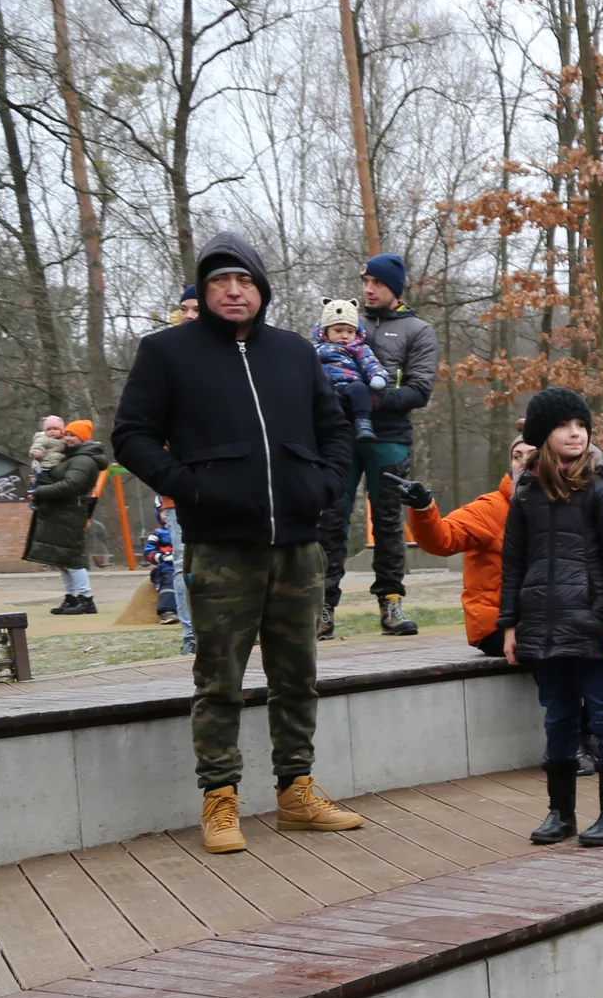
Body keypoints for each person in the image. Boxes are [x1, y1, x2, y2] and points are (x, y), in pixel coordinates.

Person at [114, 232, 366, 855]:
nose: (234, 290)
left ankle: (297, 792)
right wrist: (187, 488)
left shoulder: (293, 353)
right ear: (203, 290)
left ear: (262, 290)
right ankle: (220, 798)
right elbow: (132, 435)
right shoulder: (167, 352)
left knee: (297, 675)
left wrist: (327, 485)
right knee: (219, 678)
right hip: (220, 546)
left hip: (299, 545)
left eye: (245, 280)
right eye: (221, 280)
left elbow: (334, 429)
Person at [395, 446, 603, 700]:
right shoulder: (490, 509)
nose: (524, 461)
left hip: (559, 611)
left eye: (534, 454)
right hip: (500, 622)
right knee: (572, 633)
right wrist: (424, 508)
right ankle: (594, 721)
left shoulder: (574, 504)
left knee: (591, 623)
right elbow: (442, 540)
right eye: (517, 455)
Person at [499, 393, 603, 846]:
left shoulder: (601, 491)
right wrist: (510, 625)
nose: (575, 432)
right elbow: (514, 563)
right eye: (563, 425)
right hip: (541, 625)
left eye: (581, 424)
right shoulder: (525, 494)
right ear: (543, 437)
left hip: (594, 626)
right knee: (558, 718)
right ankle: (561, 813)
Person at [315, 254, 437, 639]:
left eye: (377, 283)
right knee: (330, 521)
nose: (368, 289)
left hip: (389, 440)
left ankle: (391, 604)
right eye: (365, 281)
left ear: (394, 289)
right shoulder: (345, 320)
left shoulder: (418, 331)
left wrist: (364, 400)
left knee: (387, 524)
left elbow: (419, 391)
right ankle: (322, 610)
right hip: (337, 439)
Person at [25, 417, 110, 614]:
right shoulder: (72, 457)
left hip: (69, 512)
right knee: (62, 559)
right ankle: (72, 597)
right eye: (68, 434)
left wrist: (40, 492)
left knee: (72, 559)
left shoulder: (83, 460)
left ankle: (85, 598)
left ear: (83, 438)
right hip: (61, 512)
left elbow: (71, 485)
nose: (68, 438)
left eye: (73, 435)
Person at [310, 299, 390, 443]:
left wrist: (377, 375)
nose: (345, 336)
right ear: (325, 332)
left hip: (350, 383)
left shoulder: (358, 348)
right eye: (338, 331)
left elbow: (369, 362)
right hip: (325, 387)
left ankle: (363, 422)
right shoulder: (315, 349)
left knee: (360, 389)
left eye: (350, 331)